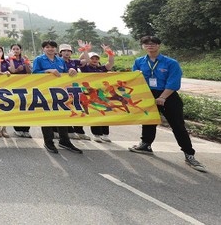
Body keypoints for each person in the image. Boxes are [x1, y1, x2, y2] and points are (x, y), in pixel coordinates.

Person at [128, 36, 206, 172]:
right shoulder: (139, 61)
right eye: (146, 44)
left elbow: (173, 82)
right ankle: (146, 145)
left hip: (168, 95)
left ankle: (189, 154)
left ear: (159, 45)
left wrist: (163, 97)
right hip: (148, 95)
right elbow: (134, 78)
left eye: (153, 43)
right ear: (142, 46)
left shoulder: (171, 63)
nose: (150, 46)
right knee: (148, 121)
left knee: (178, 125)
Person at [31, 40, 83, 154]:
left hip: (60, 93)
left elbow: (65, 73)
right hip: (44, 93)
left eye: (53, 47)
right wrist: (47, 71)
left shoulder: (60, 60)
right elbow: (33, 74)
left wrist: (71, 70)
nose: (50, 49)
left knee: (62, 116)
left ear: (55, 49)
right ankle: (48, 142)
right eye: (47, 47)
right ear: (43, 49)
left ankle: (64, 141)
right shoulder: (38, 60)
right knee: (47, 117)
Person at [79, 47, 115, 142]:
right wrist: (84, 50)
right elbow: (81, 59)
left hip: (102, 95)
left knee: (105, 112)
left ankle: (105, 134)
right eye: (92, 58)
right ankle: (97, 134)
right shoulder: (85, 68)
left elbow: (110, 63)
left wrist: (110, 53)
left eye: (96, 58)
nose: (94, 60)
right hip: (90, 96)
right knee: (95, 113)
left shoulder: (101, 68)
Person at [59, 43, 91, 141]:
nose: (66, 53)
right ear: (60, 53)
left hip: (74, 90)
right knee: (66, 110)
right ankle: (69, 131)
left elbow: (87, 61)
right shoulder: (57, 62)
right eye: (64, 51)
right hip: (62, 90)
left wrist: (84, 49)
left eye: (68, 51)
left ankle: (80, 131)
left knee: (77, 109)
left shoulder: (74, 62)